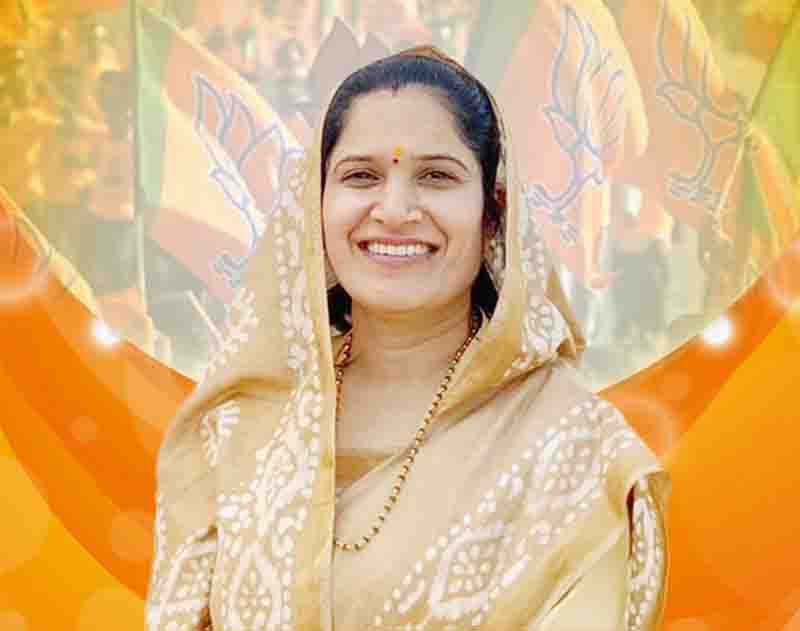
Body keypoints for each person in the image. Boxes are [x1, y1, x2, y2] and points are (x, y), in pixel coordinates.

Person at [146, 47, 670, 630]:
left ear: (492, 214)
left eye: (436, 176)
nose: (394, 210)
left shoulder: (569, 446)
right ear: (314, 208)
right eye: (361, 176)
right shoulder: (243, 423)